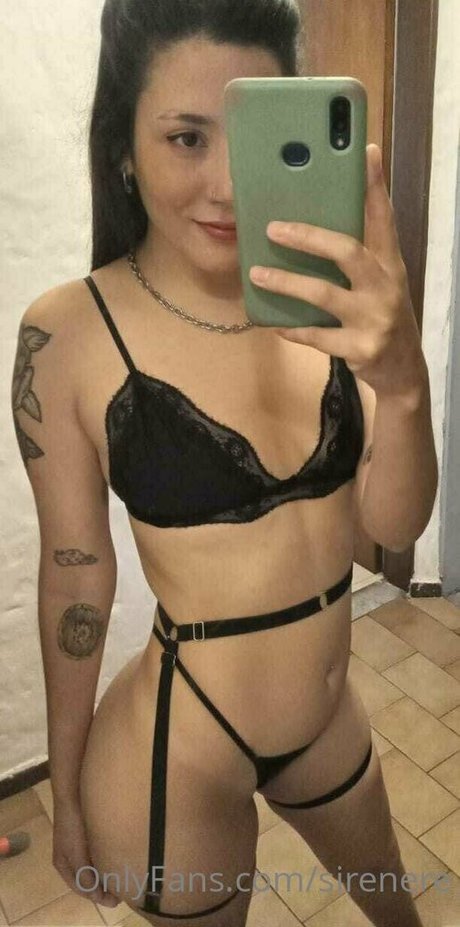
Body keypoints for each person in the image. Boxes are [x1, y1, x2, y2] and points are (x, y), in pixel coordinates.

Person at [11, 1, 436, 924]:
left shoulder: (329, 297)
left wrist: (406, 384)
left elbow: (394, 523)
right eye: (185, 138)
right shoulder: (71, 335)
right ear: (124, 147)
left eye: (246, 137)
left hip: (329, 720)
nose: (229, 187)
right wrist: (69, 794)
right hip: (182, 744)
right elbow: (76, 578)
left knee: (401, 914)